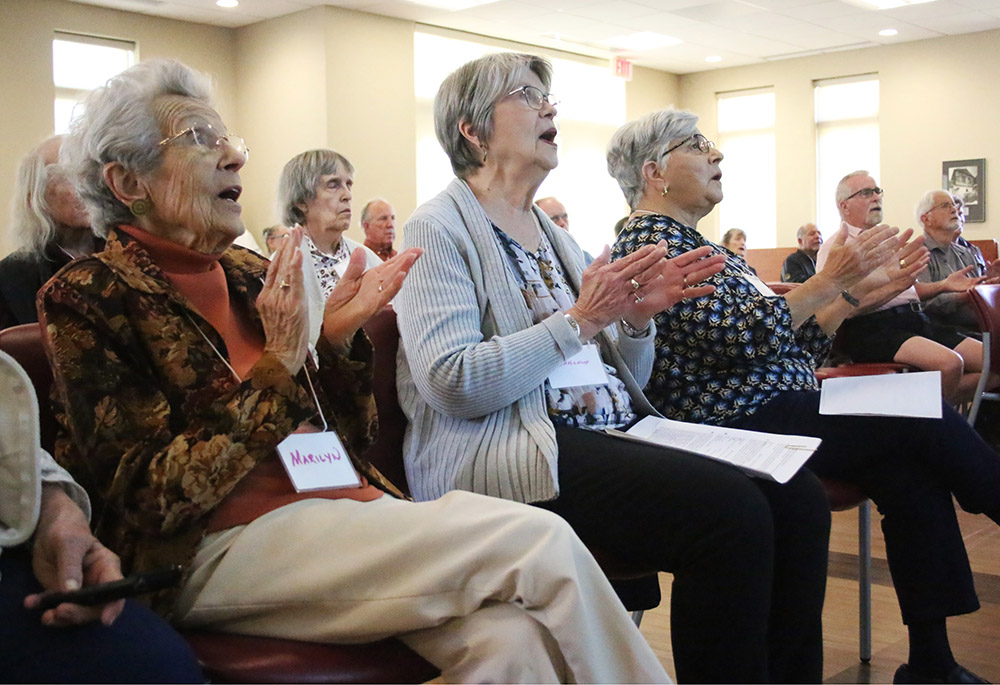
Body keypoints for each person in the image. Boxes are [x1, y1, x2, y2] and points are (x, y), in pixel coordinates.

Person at [38, 58, 668, 684]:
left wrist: (335, 347)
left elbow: (349, 435)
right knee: (541, 543)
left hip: (340, 509)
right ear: (127, 183)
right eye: (201, 141)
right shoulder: (90, 295)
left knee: (512, 641)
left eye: (230, 141)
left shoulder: (250, 275)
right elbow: (149, 495)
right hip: (214, 545)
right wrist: (285, 363)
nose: (233, 158)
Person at [396, 52, 832, 683]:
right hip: (510, 451)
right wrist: (579, 320)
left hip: (609, 430)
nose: (550, 109)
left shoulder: (551, 235)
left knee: (798, 496)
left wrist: (633, 322)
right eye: (527, 96)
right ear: (472, 130)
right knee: (728, 512)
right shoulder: (437, 226)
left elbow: (624, 372)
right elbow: (452, 380)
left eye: (550, 99)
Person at [609, 108, 1000, 685]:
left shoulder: (691, 239)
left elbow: (786, 346)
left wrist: (849, 302)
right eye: (698, 145)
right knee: (919, 413)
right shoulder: (649, 242)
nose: (717, 155)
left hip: (779, 401)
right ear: (654, 173)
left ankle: (932, 664)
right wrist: (828, 282)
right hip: (733, 418)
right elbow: (737, 341)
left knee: (909, 467)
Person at [0, 349, 203, 683]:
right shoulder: (86, 299)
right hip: (195, 529)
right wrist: (279, 373)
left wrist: (52, 507)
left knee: (159, 665)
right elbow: (153, 489)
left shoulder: (253, 301)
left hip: (300, 500)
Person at [818, 171, 987, 404]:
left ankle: (921, 409)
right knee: (951, 364)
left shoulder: (884, 242)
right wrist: (895, 288)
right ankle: (927, 423)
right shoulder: (835, 248)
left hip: (913, 318)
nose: (876, 197)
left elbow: (907, 292)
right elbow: (845, 310)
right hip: (871, 329)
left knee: (992, 362)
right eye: (866, 193)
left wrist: (945, 285)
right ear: (844, 206)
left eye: (878, 191)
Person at [0, 135, 103, 329]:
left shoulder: (132, 254)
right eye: (69, 177)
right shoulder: (11, 279)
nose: (89, 187)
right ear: (35, 197)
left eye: (92, 174)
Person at [278, 149, 383, 300]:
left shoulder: (367, 257)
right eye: (333, 185)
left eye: (348, 185)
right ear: (301, 201)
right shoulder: (285, 267)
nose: (348, 195)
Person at [915, 189, 998, 333]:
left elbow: (977, 288)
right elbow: (924, 304)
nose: (954, 209)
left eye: (953, 205)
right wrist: (965, 296)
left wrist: (990, 283)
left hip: (980, 323)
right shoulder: (918, 254)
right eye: (945, 206)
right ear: (926, 219)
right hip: (944, 330)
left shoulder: (965, 252)